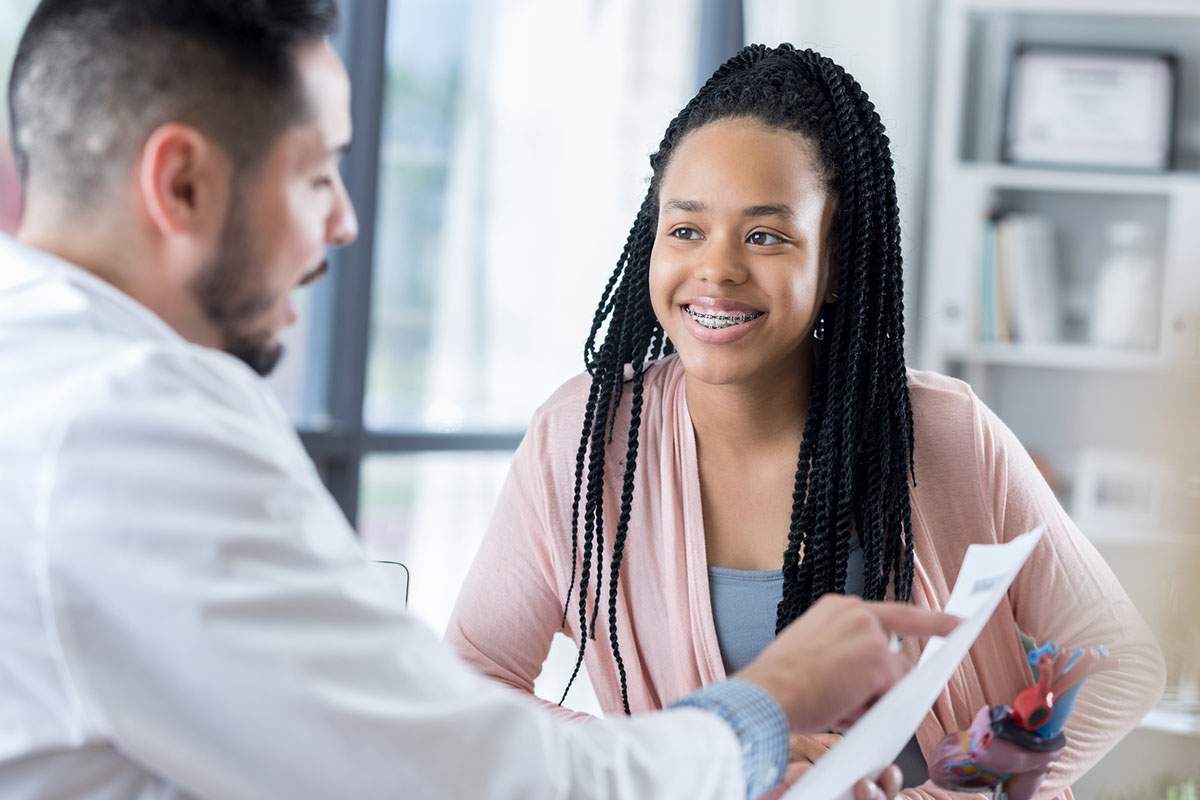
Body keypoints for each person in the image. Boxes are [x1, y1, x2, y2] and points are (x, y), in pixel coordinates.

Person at [0, 3, 959, 799]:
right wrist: (769, 703)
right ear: (182, 182)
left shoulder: (39, 368)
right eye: (316, 171)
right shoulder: (134, 427)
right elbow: (459, 775)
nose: (345, 218)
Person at [446, 43, 1167, 799]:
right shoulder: (582, 441)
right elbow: (470, 687)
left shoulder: (944, 431)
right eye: (686, 229)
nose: (717, 268)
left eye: (766, 235)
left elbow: (1118, 662)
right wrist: (677, 763)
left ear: (834, 267)